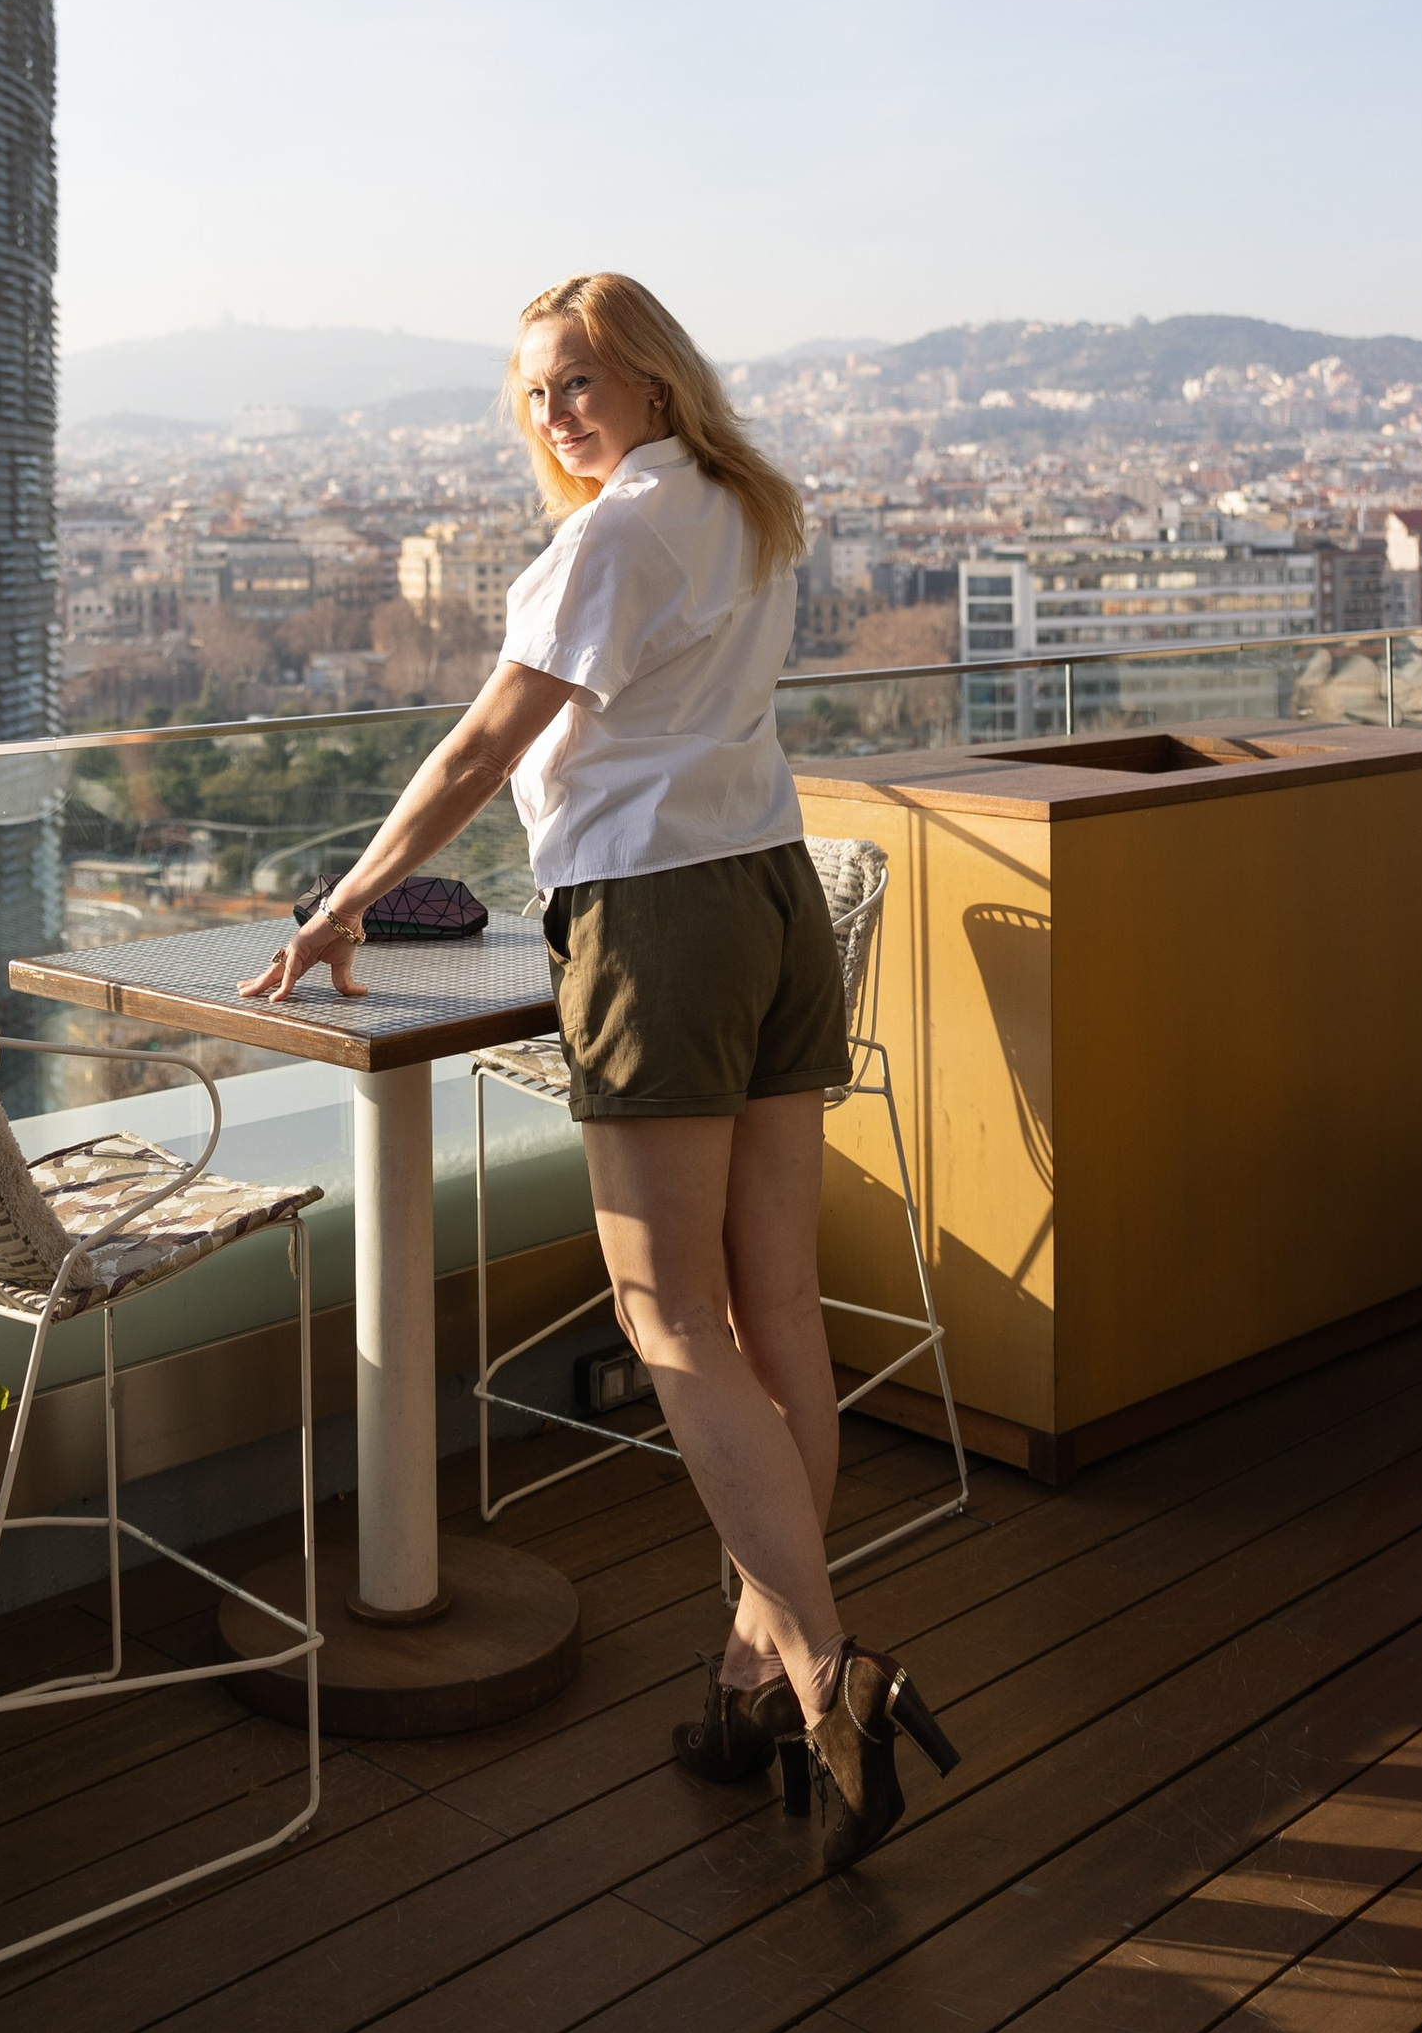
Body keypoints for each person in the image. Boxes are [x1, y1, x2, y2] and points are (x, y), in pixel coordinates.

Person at [241, 269, 956, 1872]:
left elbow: (481, 749)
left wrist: (345, 900)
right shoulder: (746, 507)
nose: (556, 413)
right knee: (775, 1312)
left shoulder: (614, 536)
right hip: (775, 898)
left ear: (648, 378)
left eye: (578, 380)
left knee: (671, 1317)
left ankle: (832, 1668)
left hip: (658, 915)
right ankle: (753, 1672)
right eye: (535, 393)